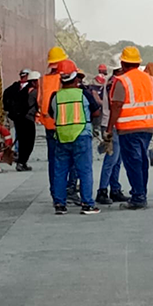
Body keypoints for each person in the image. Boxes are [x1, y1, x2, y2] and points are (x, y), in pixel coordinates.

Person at [105, 46, 153, 209]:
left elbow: (116, 106)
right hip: (147, 127)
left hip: (128, 128)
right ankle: (141, 193)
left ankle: (138, 197)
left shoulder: (122, 81)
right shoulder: (149, 79)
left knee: (133, 162)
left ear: (123, 63)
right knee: (142, 162)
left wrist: (109, 128)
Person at [49, 69, 102, 215]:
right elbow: (96, 112)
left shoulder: (55, 96)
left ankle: (59, 204)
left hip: (61, 136)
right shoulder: (83, 94)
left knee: (60, 172)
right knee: (84, 171)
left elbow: (51, 113)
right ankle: (87, 204)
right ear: (75, 80)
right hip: (81, 135)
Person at [95, 55, 129, 206]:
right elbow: (115, 106)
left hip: (114, 123)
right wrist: (109, 128)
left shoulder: (112, 81)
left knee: (117, 160)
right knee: (111, 159)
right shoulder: (115, 83)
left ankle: (115, 189)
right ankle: (102, 190)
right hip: (112, 123)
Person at [38, 46, 71, 203]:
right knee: (69, 160)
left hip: (49, 125)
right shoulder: (64, 80)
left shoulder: (43, 80)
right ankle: (68, 190)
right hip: (64, 125)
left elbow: (40, 102)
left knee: (53, 160)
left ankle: (55, 192)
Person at [10, 71, 40, 171]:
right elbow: (39, 104)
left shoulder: (22, 90)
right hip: (28, 119)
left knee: (22, 142)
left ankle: (21, 162)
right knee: (29, 143)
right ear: (34, 82)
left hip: (19, 119)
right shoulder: (35, 92)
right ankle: (22, 162)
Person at [3, 69, 30, 157]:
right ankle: (20, 152)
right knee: (24, 134)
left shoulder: (13, 88)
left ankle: (19, 151)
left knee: (19, 133)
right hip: (24, 115)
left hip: (17, 115)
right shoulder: (29, 88)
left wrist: (8, 109)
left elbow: (5, 96)